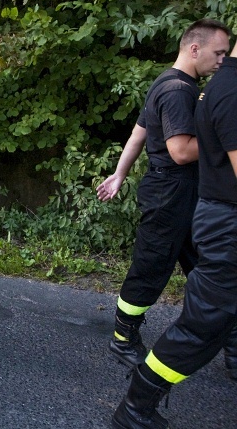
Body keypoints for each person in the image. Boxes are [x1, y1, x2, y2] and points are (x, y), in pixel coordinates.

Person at [111, 40, 237, 429]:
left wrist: (119, 174)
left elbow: (138, 132)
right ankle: (123, 338)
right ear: (194, 48)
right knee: (153, 264)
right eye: (218, 53)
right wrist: (217, 137)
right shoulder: (180, 90)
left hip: (187, 193)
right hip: (173, 190)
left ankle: (231, 345)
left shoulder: (170, 82)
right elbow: (180, 151)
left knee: (205, 274)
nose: (222, 60)